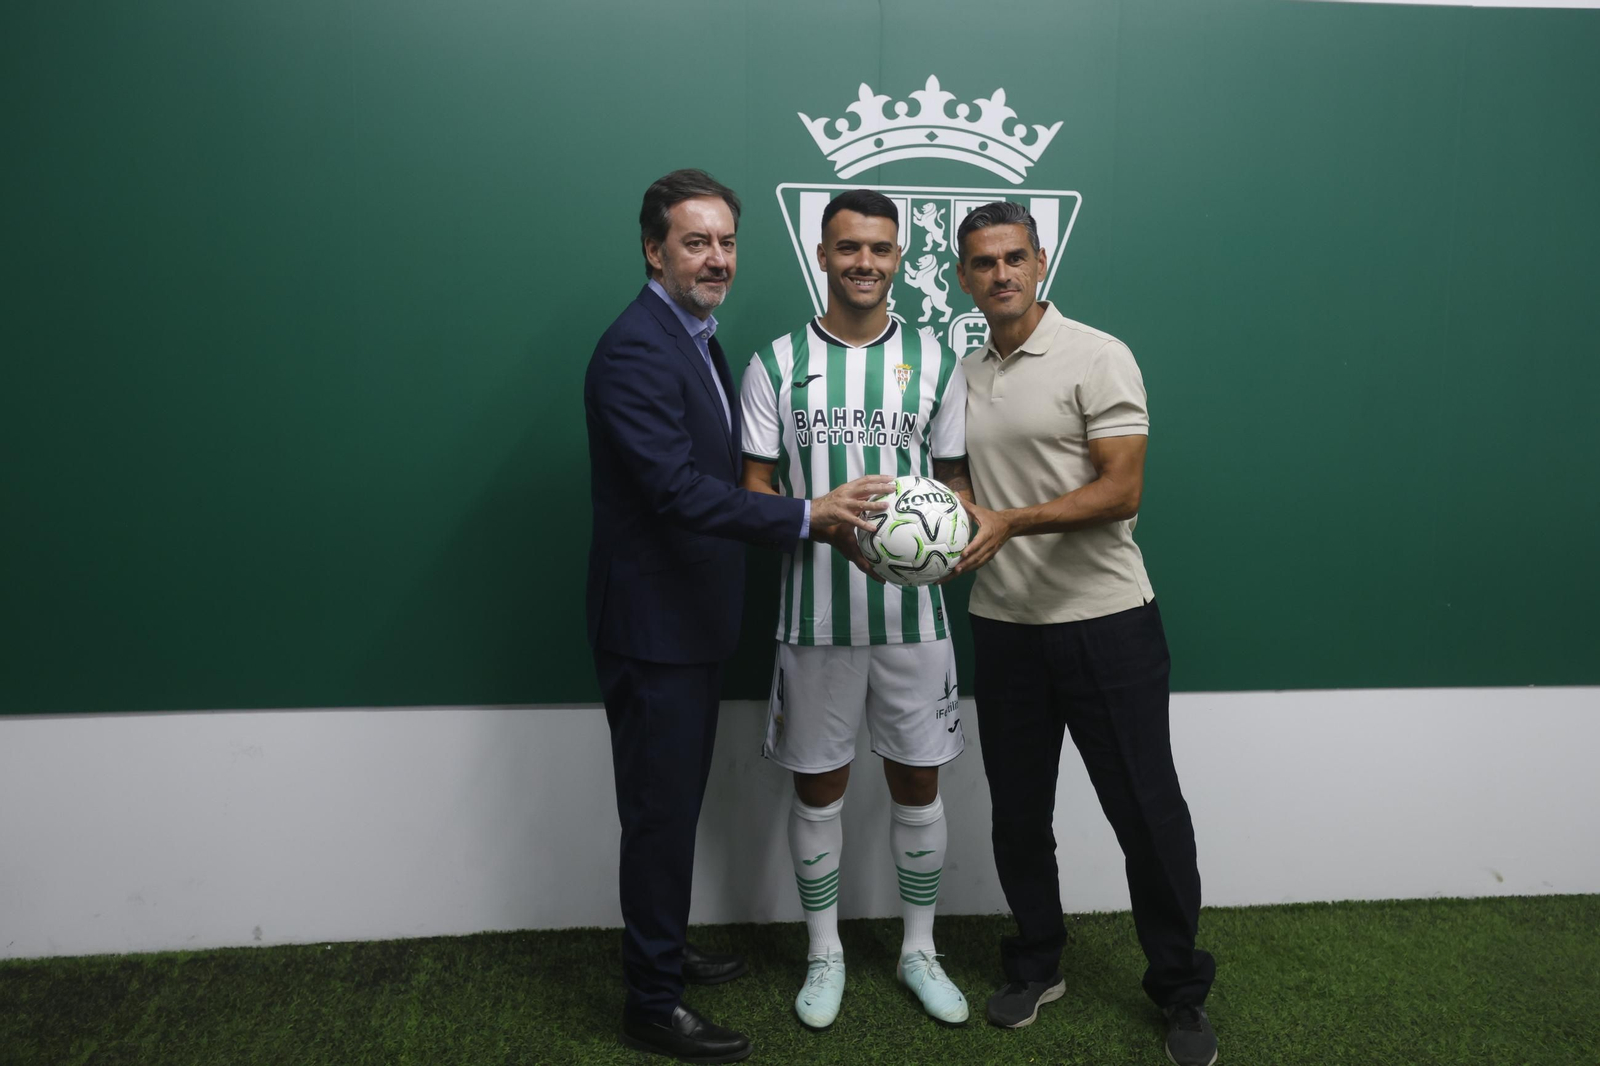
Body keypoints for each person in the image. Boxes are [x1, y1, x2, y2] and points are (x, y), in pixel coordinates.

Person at [584, 169, 893, 1064]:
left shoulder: (696, 336)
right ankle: (651, 1000)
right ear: (654, 249)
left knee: (671, 805)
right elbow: (679, 492)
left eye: (725, 242)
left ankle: (664, 952)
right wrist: (810, 514)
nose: (715, 258)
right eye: (694, 241)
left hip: (686, 623)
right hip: (652, 630)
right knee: (658, 813)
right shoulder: (637, 348)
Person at [946, 201, 1218, 1066]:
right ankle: (1036, 961)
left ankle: (1179, 990)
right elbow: (960, 488)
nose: (1001, 274)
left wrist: (1006, 523)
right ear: (964, 276)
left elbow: (1121, 490)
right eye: (984, 263)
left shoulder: (1098, 355)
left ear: (1041, 260)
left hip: (1107, 626)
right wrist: (943, 526)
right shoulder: (964, 371)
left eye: (1014, 257)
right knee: (1019, 816)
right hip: (1004, 628)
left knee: (1146, 813)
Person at [738, 189, 972, 1030]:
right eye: (847, 248)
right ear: (822, 254)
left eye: (879, 249)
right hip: (814, 618)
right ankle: (824, 953)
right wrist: (820, 518)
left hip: (915, 622)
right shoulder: (774, 363)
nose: (864, 263)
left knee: (918, 786)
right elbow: (753, 492)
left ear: (900, 257)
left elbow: (957, 485)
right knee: (819, 792)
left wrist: (941, 535)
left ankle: (918, 949)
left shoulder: (937, 362)